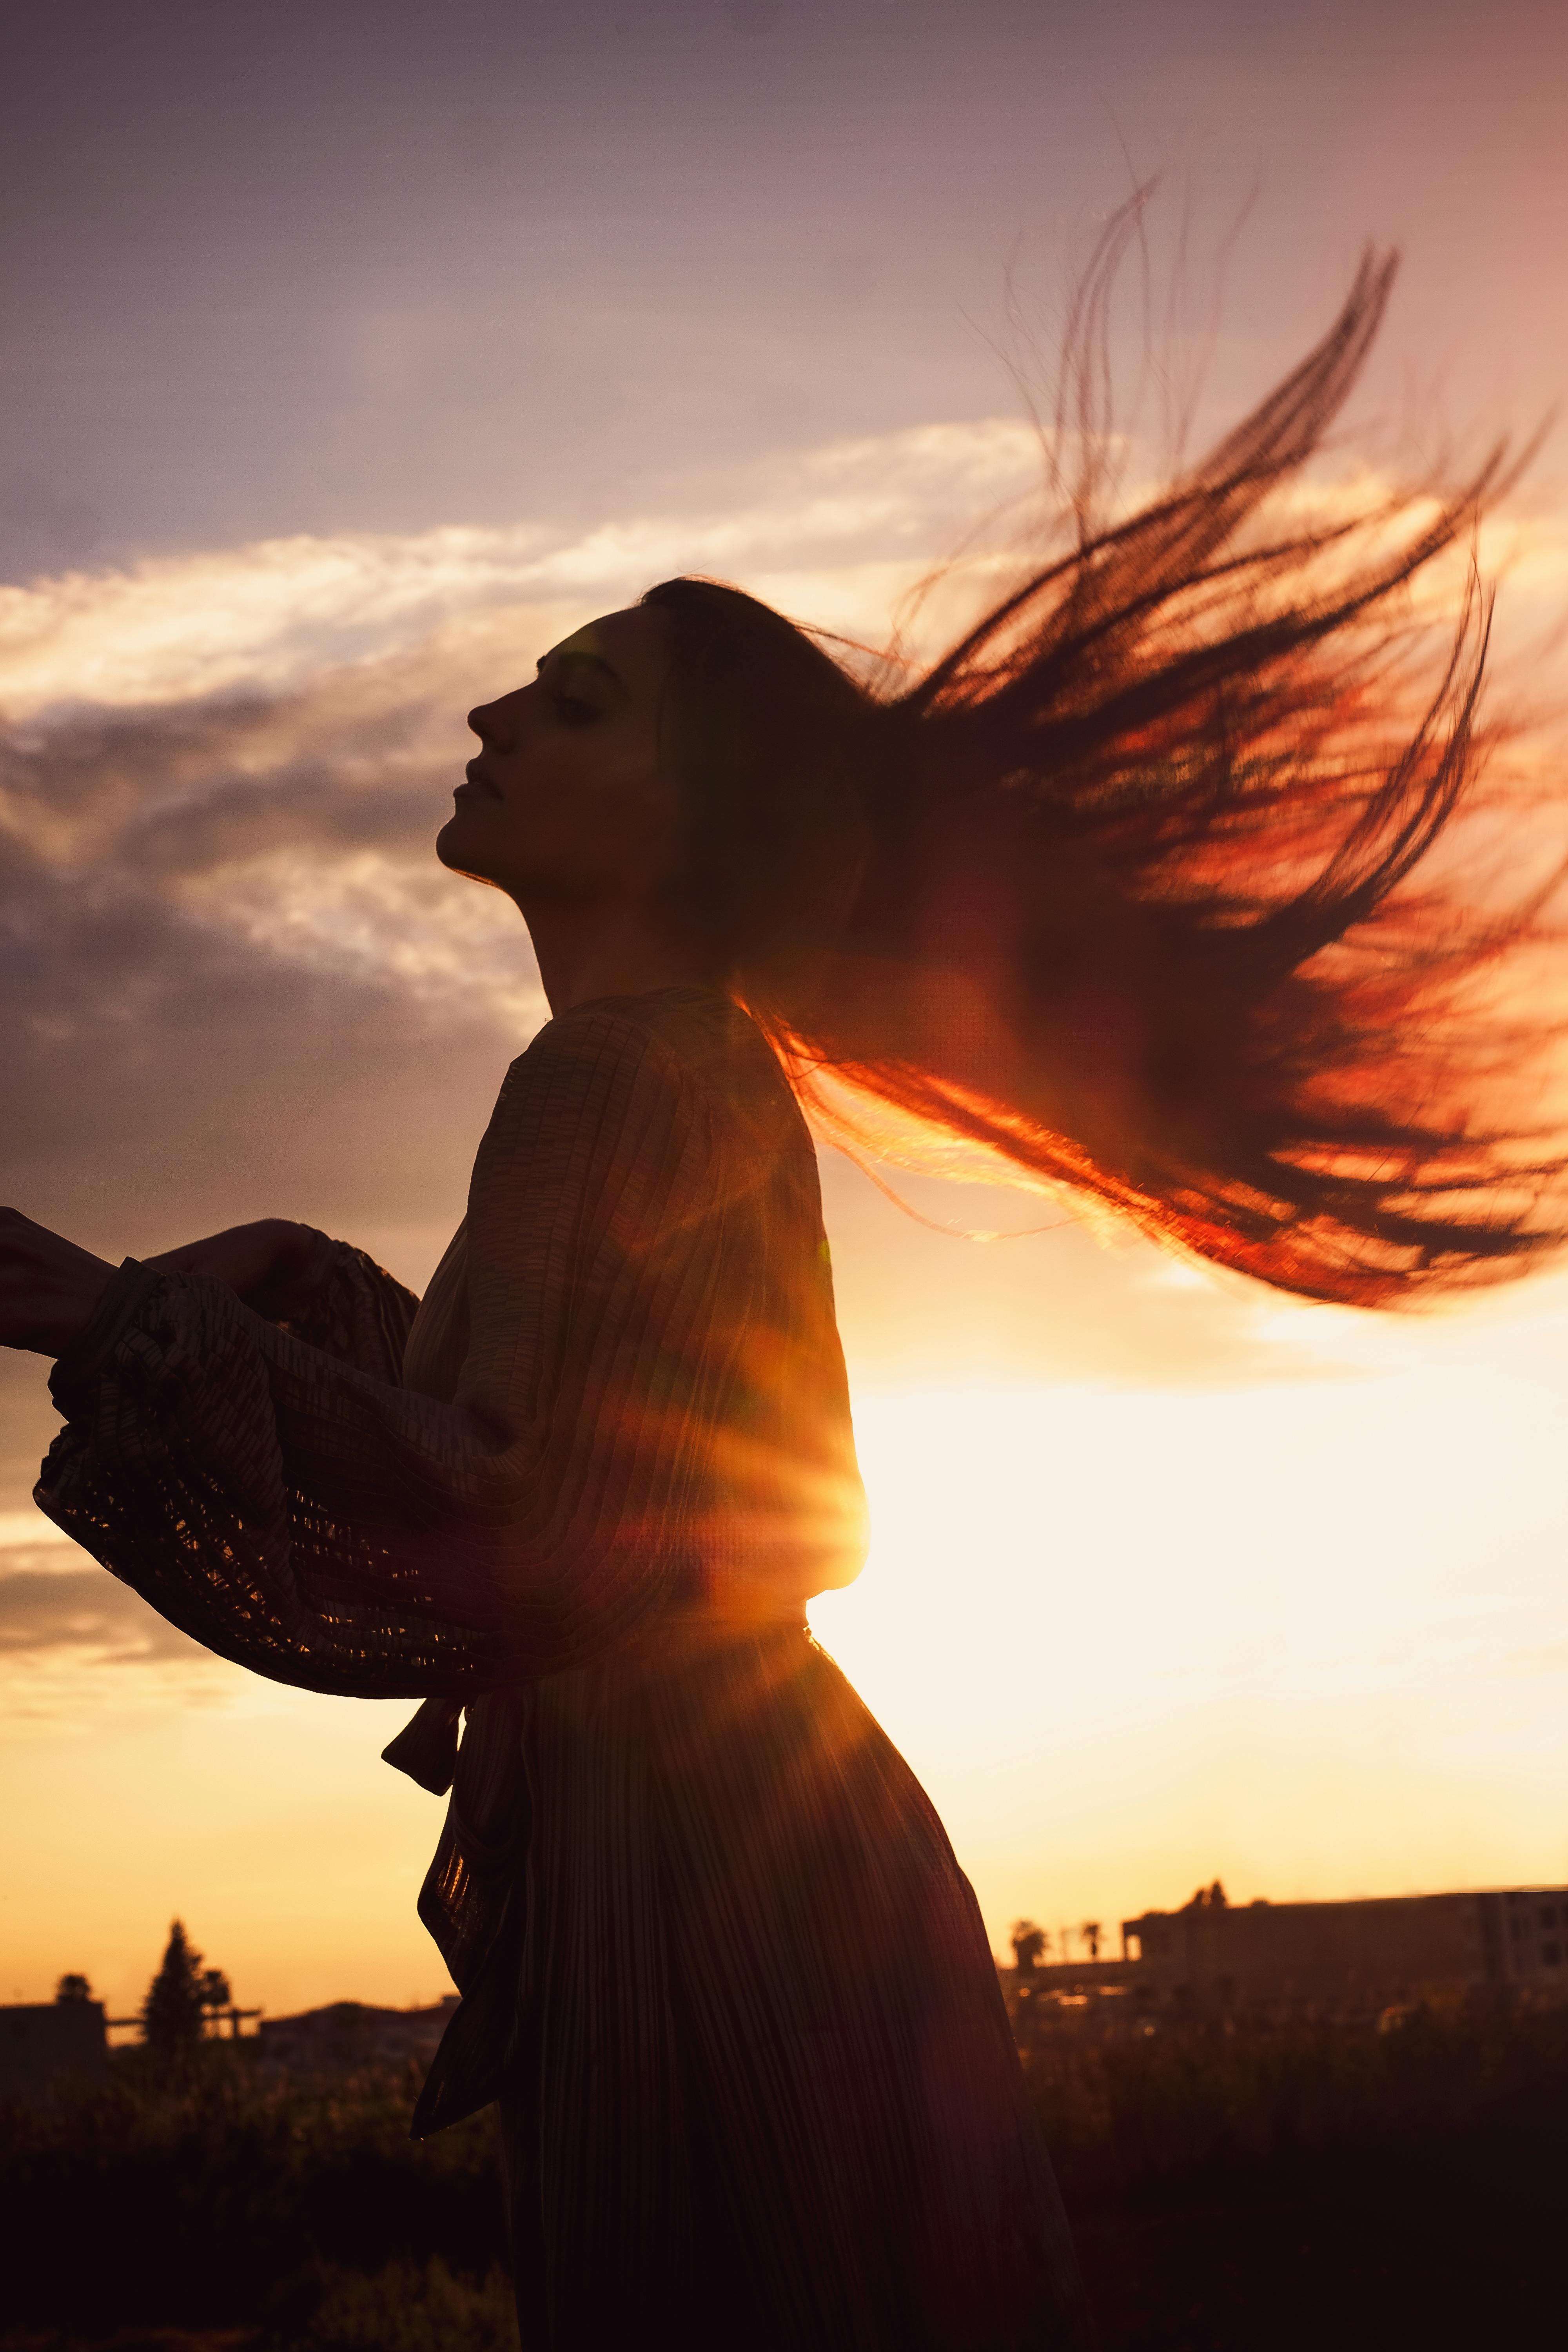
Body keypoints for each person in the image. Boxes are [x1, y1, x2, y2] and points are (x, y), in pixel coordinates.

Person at [1, 250, 1561, 2348]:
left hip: (689, 1875)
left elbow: (524, 1522)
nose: (491, 716)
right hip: (756, 1836)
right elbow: (564, 1440)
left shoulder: (612, 1073)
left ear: (691, 819)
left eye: (576, 701)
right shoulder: (680, 1064)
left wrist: (119, 1324)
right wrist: (276, 1287)